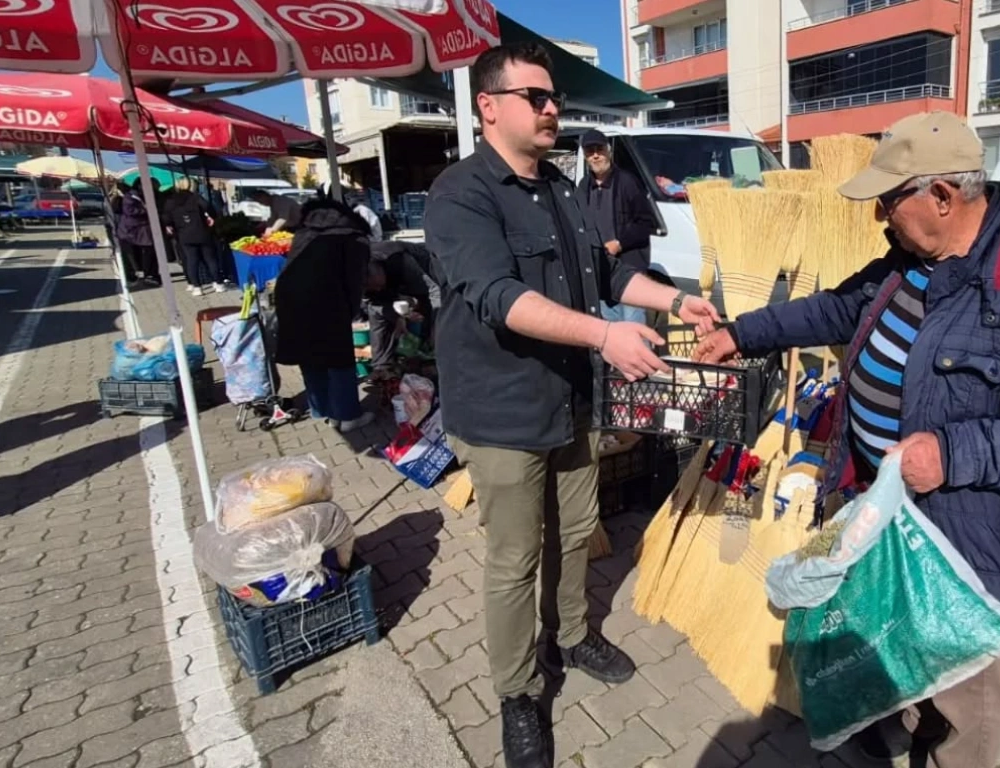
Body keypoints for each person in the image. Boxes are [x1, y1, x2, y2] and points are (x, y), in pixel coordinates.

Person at [694, 111, 1000, 767]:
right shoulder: (912, 262)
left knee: (963, 708)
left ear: (943, 197)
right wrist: (742, 332)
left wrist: (952, 455)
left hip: (968, 553)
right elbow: (837, 308)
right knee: (889, 641)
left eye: (888, 203)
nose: (880, 219)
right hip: (887, 513)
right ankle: (887, 720)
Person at [423, 42, 721, 768]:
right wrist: (605, 339)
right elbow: (499, 298)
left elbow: (612, 272)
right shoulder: (461, 194)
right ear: (490, 106)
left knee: (577, 529)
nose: (553, 108)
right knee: (515, 557)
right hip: (501, 413)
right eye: (537, 97)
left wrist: (678, 300)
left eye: (554, 97)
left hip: (570, 403)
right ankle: (518, 693)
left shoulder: (560, 189)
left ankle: (572, 634)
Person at [272, 196, 376, 433]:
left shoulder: (305, 233)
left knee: (309, 355)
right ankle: (348, 416)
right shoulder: (352, 238)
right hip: (327, 299)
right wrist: (350, 312)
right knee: (339, 359)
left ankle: (322, 409)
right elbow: (355, 281)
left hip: (289, 298)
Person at [577, 128, 657, 325]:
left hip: (629, 271)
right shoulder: (583, 186)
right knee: (611, 335)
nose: (595, 155)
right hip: (601, 273)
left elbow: (646, 223)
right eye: (590, 151)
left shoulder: (628, 182)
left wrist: (619, 244)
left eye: (599, 149)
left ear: (608, 150)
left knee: (634, 329)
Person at [363, 239, 440, 376]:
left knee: (431, 325)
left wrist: (437, 325)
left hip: (427, 278)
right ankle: (381, 367)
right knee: (375, 311)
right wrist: (397, 316)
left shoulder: (402, 261)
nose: (377, 289)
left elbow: (435, 291)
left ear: (379, 270)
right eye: (372, 288)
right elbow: (374, 302)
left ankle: (432, 362)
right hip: (400, 285)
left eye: (377, 285)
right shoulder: (358, 273)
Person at [163, 179, 224, 296]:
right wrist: (212, 218)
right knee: (210, 259)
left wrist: (169, 226)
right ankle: (218, 284)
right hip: (201, 231)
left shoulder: (171, 200)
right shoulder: (196, 198)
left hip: (183, 234)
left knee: (191, 260)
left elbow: (166, 217)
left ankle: (196, 287)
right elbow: (209, 208)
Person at [115, 181, 158, 286]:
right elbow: (130, 211)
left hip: (137, 229)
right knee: (136, 253)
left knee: (143, 252)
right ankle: (139, 275)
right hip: (133, 229)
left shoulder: (136, 196)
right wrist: (145, 209)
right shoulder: (131, 197)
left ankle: (145, 273)